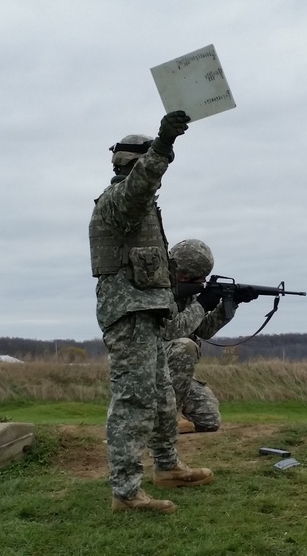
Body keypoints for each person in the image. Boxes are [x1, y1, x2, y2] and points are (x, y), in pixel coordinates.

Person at [89, 111, 214, 515]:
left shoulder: (137, 209)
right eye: (150, 165)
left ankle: (167, 467)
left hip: (147, 313)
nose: (157, 178)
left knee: (161, 398)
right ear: (136, 164)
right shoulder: (120, 202)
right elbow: (142, 184)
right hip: (129, 315)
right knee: (134, 399)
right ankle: (125, 493)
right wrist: (164, 143)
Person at [163, 239, 256, 433]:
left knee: (209, 419)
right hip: (152, 371)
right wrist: (202, 305)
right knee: (185, 346)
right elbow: (172, 331)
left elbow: (203, 330)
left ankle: (163, 414)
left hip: (175, 379)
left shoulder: (188, 295)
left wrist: (231, 303)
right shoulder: (158, 292)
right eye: (198, 279)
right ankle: (167, 417)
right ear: (183, 274)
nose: (202, 282)